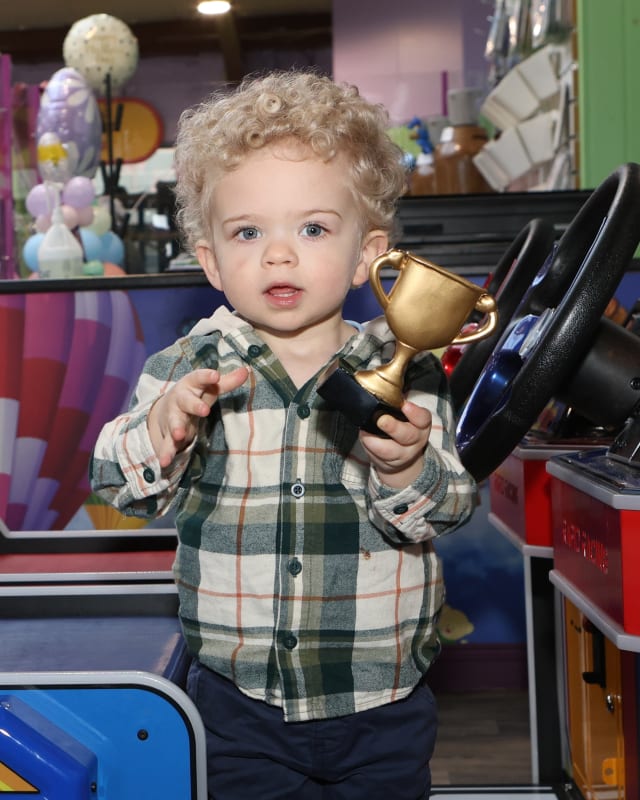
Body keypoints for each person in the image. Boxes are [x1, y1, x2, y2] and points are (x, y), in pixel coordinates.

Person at [90, 69, 477, 800]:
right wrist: (160, 429)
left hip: (383, 699)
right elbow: (116, 486)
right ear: (210, 259)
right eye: (247, 231)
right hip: (239, 705)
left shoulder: (407, 371)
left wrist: (405, 469)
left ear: (370, 256)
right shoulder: (186, 368)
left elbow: (452, 506)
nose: (278, 254)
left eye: (312, 228)